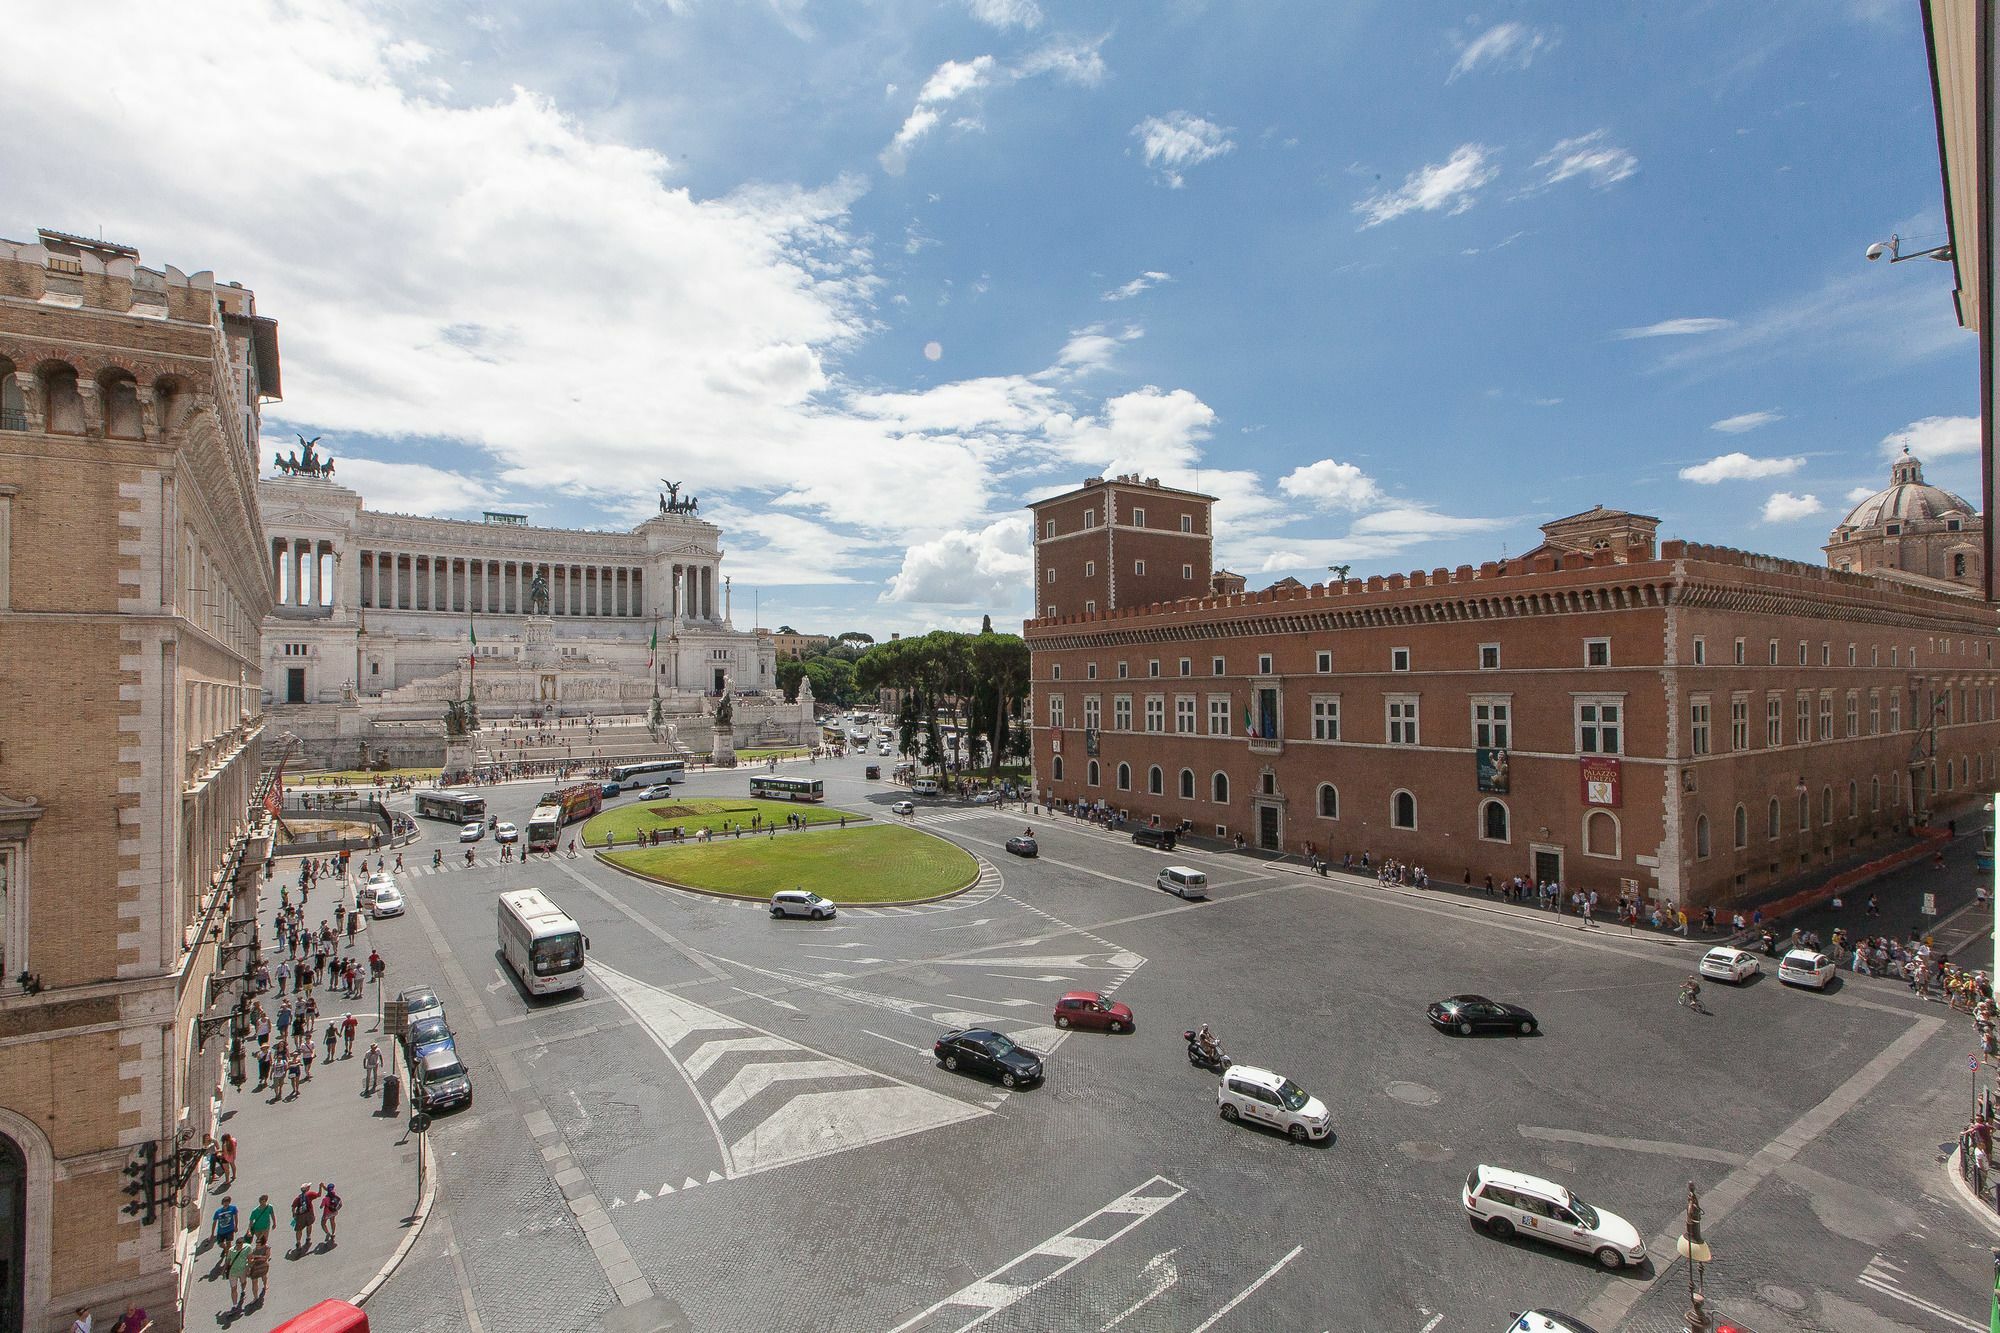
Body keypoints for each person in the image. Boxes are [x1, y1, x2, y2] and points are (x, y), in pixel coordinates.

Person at [209, 1195, 238, 1264]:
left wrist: (236, 1226)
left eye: (227, 1202)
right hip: (221, 1231)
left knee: (229, 1243)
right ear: (222, 1203)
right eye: (225, 1202)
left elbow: (236, 1217)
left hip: (229, 1230)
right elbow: (214, 1222)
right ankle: (225, 1249)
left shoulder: (233, 1209)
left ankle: (229, 1258)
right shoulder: (218, 1212)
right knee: (220, 1244)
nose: (226, 1203)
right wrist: (212, 1234)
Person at [247, 1236, 271, 1304]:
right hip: (255, 1267)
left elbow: (267, 1257)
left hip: (263, 1266)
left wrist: (257, 1256)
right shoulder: (254, 1250)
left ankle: (265, 1284)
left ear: (262, 1243)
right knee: (254, 1282)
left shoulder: (267, 1247)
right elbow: (250, 1260)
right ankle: (255, 1297)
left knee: (264, 1277)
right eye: (256, 1243)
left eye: (259, 1243)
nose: (257, 1244)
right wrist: (250, 1263)